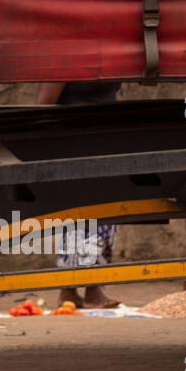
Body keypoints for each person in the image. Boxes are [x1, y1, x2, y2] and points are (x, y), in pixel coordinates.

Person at [38, 81, 122, 309]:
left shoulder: (105, 58)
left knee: (103, 218)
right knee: (82, 218)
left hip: (101, 138)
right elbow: (44, 104)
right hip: (76, 140)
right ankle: (76, 290)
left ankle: (82, 290)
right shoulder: (64, 58)